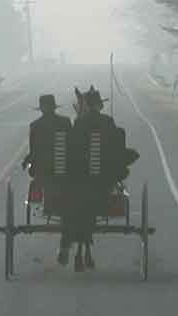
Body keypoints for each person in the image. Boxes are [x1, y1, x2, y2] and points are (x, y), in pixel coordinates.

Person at [64, 87, 118, 272]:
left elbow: (72, 150)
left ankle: (77, 249)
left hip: (80, 177)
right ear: (100, 105)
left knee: (76, 207)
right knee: (90, 211)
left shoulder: (79, 123)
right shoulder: (109, 122)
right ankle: (84, 250)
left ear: (85, 105)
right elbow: (114, 149)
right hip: (103, 179)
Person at [22, 94, 71, 216]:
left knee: (40, 175)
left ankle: (49, 204)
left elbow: (34, 150)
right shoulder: (65, 122)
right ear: (54, 107)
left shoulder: (35, 126)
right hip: (63, 167)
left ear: (41, 108)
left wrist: (27, 160)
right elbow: (71, 144)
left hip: (42, 169)